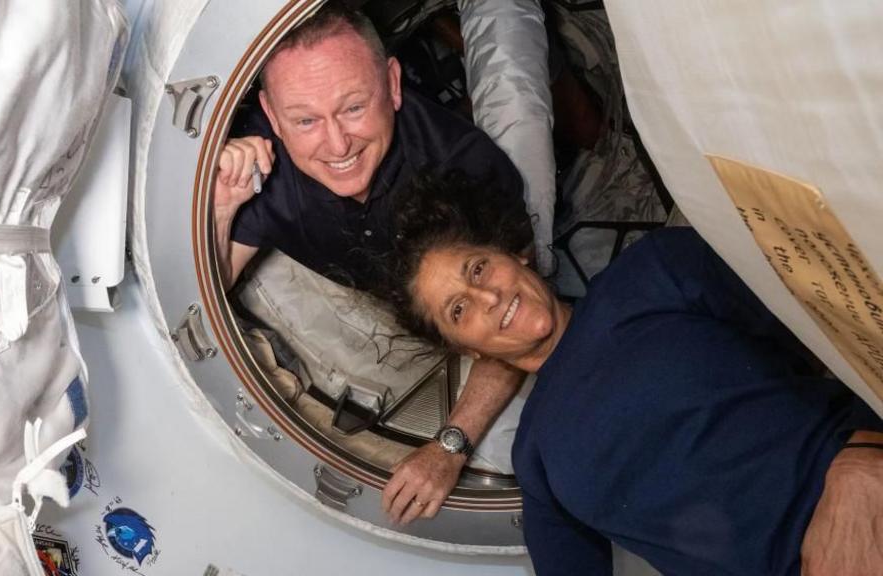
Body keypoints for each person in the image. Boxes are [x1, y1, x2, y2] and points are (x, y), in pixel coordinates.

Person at [384, 171, 883, 574]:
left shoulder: (651, 273)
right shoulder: (535, 456)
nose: (489, 298)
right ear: (466, 349)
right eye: (458, 310)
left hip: (853, 484)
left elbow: (842, 323)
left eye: (478, 269)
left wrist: (861, 461)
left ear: (515, 254)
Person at [212, 3, 536, 522]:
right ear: (272, 116)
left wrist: (449, 446)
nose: (337, 144)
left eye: (354, 108)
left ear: (392, 83)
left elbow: (521, 320)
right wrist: (224, 203)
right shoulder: (262, 165)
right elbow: (210, 286)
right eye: (305, 120)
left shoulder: (466, 170)